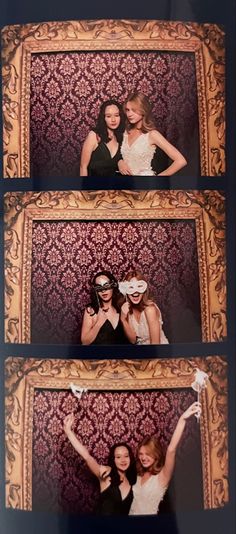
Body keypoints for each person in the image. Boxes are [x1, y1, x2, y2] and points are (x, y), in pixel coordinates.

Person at [129, 401, 201, 515]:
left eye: (148, 454)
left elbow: (171, 450)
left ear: (156, 454)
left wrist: (182, 419)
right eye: (141, 454)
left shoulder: (162, 476)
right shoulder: (138, 475)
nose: (143, 458)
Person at [64, 413, 136, 515]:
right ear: (113, 460)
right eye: (118, 457)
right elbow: (87, 457)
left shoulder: (132, 480)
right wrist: (68, 431)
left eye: (126, 456)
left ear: (130, 458)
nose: (123, 460)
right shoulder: (106, 474)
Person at [118, 91, 187, 176]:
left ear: (143, 110)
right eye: (127, 110)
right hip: (127, 184)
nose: (129, 114)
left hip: (146, 185)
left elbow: (181, 161)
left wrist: (157, 179)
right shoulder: (126, 132)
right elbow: (119, 155)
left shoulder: (152, 134)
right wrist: (120, 162)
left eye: (134, 110)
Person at [119, 270, 168, 345]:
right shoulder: (127, 310)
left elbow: (156, 344)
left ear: (144, 289)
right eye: (131, 287)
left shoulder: (150, 309)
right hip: (141, 352)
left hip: (158, 352)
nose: (135, 292)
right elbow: (133, 340)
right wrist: (123, 319)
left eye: (139, 286)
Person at [81, 270, 128, 345]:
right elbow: (84, 342)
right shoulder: (91, 311)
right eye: (99, 287)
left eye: (106, 285)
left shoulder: (121, 309)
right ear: (96, 291)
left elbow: (132, 340)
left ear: (113, 286)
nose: (103, 290)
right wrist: (99, 323)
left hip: (120, 355)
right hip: (99, 355)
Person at [80, 100, 125, 176]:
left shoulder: (122, 137)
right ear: (103, 118)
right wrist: (85, 187)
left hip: (115, 186)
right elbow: (83, 167)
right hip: (95, 186)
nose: (113, 120)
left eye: (116, 115)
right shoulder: (94, 136)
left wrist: (120, 161)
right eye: (108, 116)